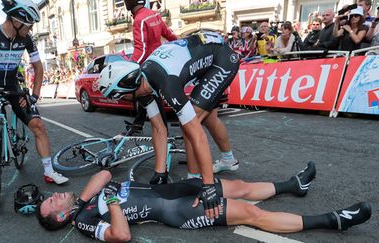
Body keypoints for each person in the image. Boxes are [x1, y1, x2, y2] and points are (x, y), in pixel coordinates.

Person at [36, 162, 372, 242]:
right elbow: (122, 236)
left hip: (174, 189)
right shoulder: (84, 222)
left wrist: (83, 199)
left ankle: (292, 184)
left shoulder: (81, 204)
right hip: (175, 210)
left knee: (237, 186)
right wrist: (106, 203)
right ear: (61, 217)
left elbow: (106, 174)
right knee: (251, 214)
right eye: (51, 204)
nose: (53, 197)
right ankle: (332, 220)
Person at [98, 32, 240, 218]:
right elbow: (158, 127)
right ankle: (228, 160)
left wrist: (208, 186)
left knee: (191, 122)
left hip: (222, 60)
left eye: (118, 97)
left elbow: (197, 134)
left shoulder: (166, 83)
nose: (120, 100)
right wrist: (160, 172)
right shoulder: (144, 85)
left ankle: (196, 178)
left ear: (125, 90)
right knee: (208, 117)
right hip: (205, 54)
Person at [0, 0, 68, 204]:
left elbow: (38, 67)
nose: (32, 29)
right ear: (17, 20)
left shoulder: (27, 39)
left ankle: (49, 170)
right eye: (30, 24)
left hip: (13, 87)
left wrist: (33, 96)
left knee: (38, 125)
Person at [125, 0, 177, 138]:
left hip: (148, 65)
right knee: (147, 96)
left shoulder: (139, 20)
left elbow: (140, 49)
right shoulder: (154, 15)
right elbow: (169, 34)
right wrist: (180, 44)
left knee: (148, 96)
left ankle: (163, 135)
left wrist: (130, 66)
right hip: (158, 62)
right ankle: (138, 124)